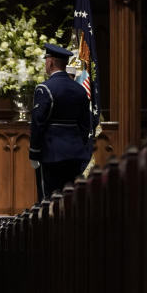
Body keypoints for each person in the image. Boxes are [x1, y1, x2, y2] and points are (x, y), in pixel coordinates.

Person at [28, 42, 92, 200]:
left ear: (50, 62)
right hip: (75, 154)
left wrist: (34, 153)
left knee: (49, 200)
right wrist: (77, 145)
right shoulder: (80, 90)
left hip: (51, 154)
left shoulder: (45, 88)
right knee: (70, 199)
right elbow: (85, 125)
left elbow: (38, 124)